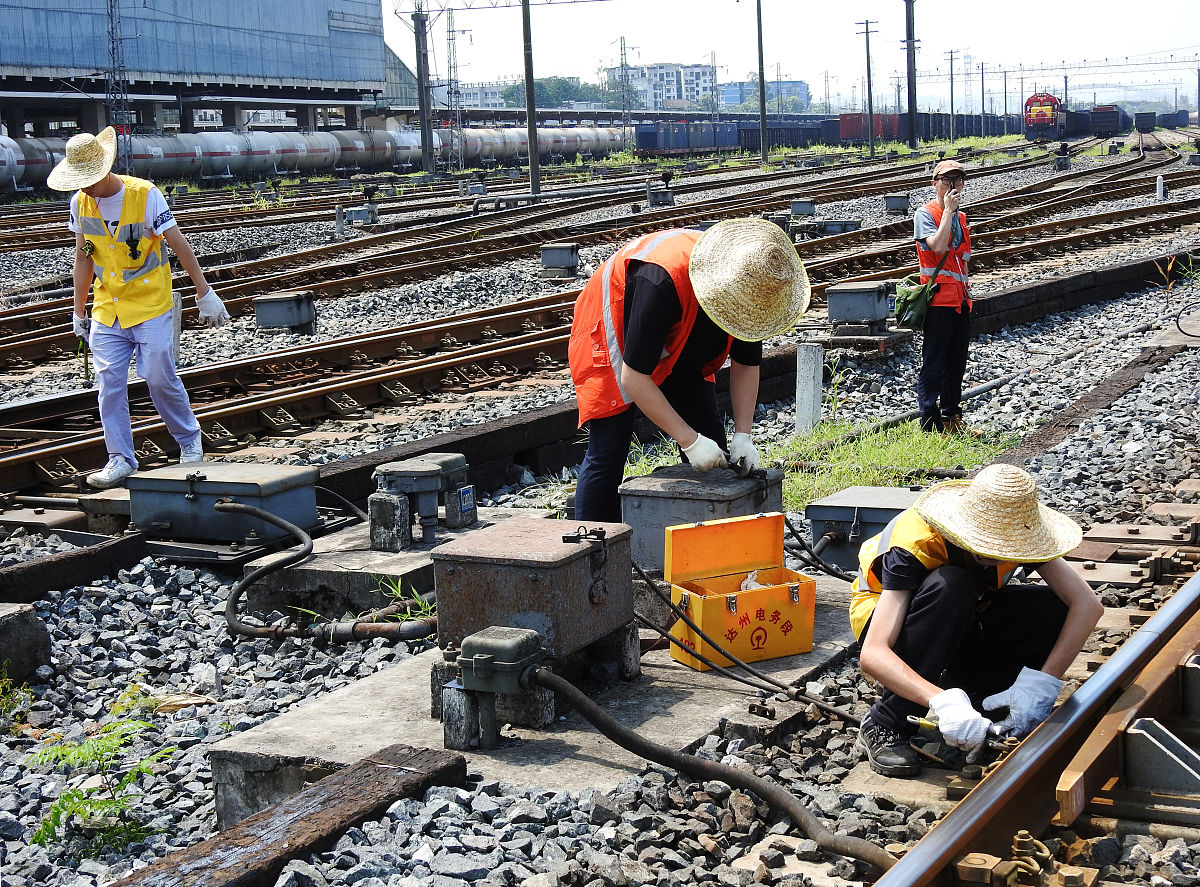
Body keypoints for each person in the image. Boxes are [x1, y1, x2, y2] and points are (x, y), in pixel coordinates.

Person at [849, 463, 1103, 777]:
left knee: (1051, 610)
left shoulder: (1019, 531)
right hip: (894, 627)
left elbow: (1087, 606)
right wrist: (940, 701)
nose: (1002, 554)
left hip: (960, 617)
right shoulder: (915, 542)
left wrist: (1041, 684)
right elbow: (873, 654)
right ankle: (887, 721)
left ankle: (980, 703)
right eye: (991, 546)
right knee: (952, 585)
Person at [568, 218, 810, 522]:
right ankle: (593, 550)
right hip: (613, 328)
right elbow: (634, 377)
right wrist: (689, 441)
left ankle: (704, 542)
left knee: (714, 452)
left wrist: (743, 435)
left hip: (682, 335)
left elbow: (746, 363)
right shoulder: (659, 281)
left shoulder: (754, 287)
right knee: (609, 447)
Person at [47, 127, 231, 490]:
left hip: (150, 303)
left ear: (104, 170)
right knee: (109, 385)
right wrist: (78, 311)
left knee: (159, 376)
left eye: (89, 180)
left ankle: (188, 440)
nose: (84, 187)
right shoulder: (80, 203)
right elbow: (83, 258)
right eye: (78, 181)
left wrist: (204, 292)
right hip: (108, 308)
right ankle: (120, 458)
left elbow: (179, 245)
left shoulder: (144, 195)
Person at [914, 159, 976, 435]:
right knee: (934, 363)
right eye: (947, 180)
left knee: (956, 363)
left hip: (960, 301)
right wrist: (948, 212)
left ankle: (952, 418)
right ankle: (929, 422)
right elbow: (937, 248)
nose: (953, 185)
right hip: (939, 301)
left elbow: (963, 259)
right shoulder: (926, 214)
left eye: (958, 180)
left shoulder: (962, 218)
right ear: (934, 183)